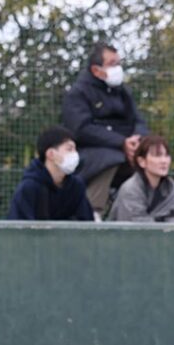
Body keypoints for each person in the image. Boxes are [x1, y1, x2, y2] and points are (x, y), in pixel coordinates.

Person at [61, 42, 149, 216]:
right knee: (109, 160)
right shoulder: (78, 93)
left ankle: (140, 212)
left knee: (152, 158)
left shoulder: (123, 92)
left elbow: (138, 120)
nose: (118, 68)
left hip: (127, 150)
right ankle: (93, 212)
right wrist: (121, 142)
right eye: (112, 64)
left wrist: (136, 141)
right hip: (92, 152)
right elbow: (81, 129)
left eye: (119, 63)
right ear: (96, 70)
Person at [8, 127, 94, 221]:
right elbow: (18, 225)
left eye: (75, 149)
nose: (75, 154)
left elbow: (86, 221)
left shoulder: (76, 186)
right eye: (69, 149)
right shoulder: (29, 187)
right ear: (50, 154)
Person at [108, 135, 174, 223]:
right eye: (157, 156)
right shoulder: (130, 190)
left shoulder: (171, 187)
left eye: (166, 155)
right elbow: (137, 226)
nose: (164, 161)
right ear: (142, 162)